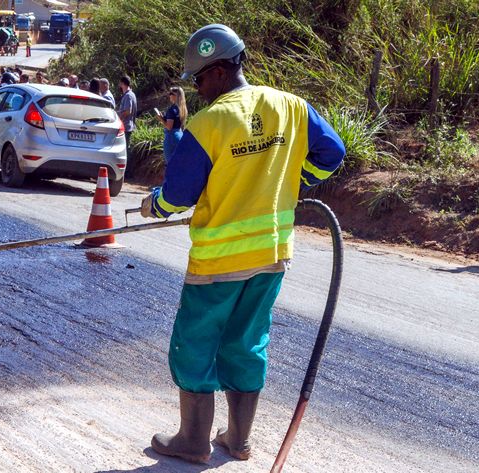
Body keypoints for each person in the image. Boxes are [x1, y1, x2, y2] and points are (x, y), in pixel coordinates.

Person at [141, 24, 345, 464]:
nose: (196, 90)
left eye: (197, 79)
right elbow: (333, 154)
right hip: (271, 254)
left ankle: (193, 442)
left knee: (194, 343)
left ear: (216, 71)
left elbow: (178, 194)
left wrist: (151, 206)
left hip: (217, 260)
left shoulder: (211, 121)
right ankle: (237, 440)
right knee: (247, 342)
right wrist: (294, 182)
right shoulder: (291, 106)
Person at [156, 86, 187, 163]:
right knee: (179, 163)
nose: (169, 95)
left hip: (171, 137)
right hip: (180, 134)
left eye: (171, 93)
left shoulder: (171, 110)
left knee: (170, 164)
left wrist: (161, 119)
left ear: (176, 96)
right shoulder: (182, 108)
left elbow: (169, 127)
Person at [117, 75, 137, 155]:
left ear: (122, 83)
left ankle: (127, 167)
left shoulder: (128, 95)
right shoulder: (131, 94)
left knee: (124, 150)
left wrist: (119, 120)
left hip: (126, 127)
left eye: (120, 83)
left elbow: (128, 111)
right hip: (128, 126)